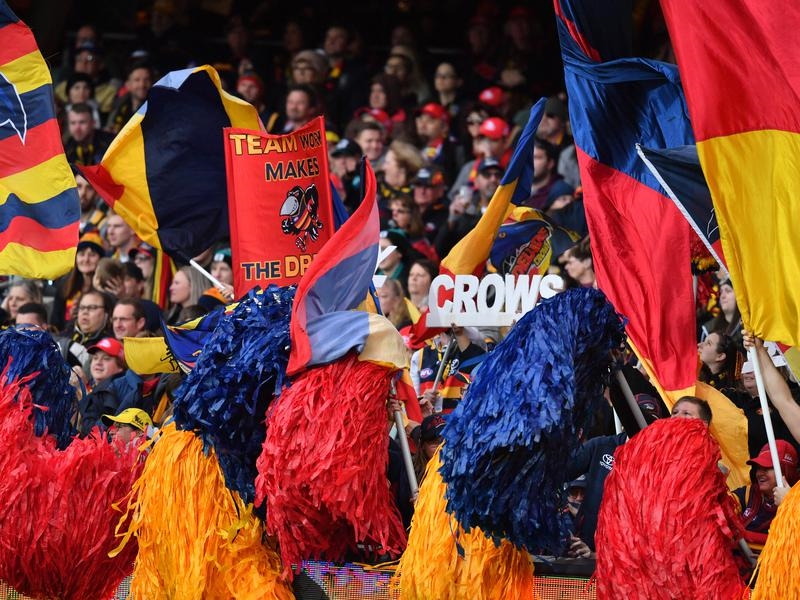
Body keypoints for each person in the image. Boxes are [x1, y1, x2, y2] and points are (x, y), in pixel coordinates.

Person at [566, 394, 663, 555]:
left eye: (649, 421)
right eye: (634, 417)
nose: (641, 425)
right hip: (583, 549)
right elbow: (559, 473)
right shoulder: (601, 445)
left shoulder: (661, 462)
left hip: (625, 558)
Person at [733, 440, 799, 549]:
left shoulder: (797, 499)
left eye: (767, 468)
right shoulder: (749, 493)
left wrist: (789, 504)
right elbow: (722, 507)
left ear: (786, 471)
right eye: (758, 468)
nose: (759, 473)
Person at [52, 230, 106, 331]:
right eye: (81, 254)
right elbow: (55, 321)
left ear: (101, 259)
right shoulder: (65, 286)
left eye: (92, 255)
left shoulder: (106, 287)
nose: (86, 259)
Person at [105, 62, 154, 134]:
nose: (142, 85)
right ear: (128, 85)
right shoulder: (118, 106)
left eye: (146, 79)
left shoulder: (160, 107)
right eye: (137, 80)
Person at [410, 165, 449, 246]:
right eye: (418, 185)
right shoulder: (404, 209)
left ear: (440, 190)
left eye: (428, 186)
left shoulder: (446, 215)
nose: (422, 191)